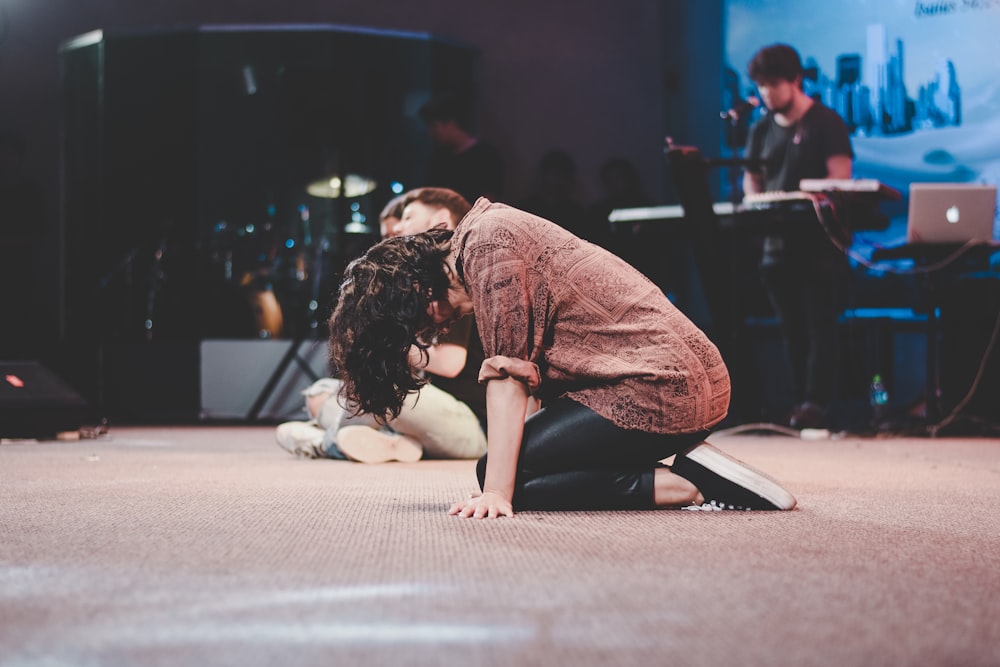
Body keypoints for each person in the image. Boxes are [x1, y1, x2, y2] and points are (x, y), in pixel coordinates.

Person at [327, 192, 798, 518]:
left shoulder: (487, 247)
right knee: (512, 465)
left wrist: (496, 493)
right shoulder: (484, 236)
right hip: (677, 379)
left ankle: (686, 485)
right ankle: (688, 470)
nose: (430, 330)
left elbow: (509, 378)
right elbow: (533, 389)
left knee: (497, 472)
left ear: (414, 289)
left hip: (660, 385)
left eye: (417, 323)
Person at [275, 188, 488, 463]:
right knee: (320, 392)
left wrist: (384, 345)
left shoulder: (454, 281)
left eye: (408, 216)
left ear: (442, 221)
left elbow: (450, 363)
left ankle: (325, 442)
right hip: (430, 414)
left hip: (468, 424)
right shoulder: (426, 283)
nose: (399, 227)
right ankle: (393, 443)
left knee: (370, 386)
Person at [742, 43, 854, 430]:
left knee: (820, 325)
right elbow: (751, 184)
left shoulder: (826, 122)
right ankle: (796, 404)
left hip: (819, 246)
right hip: (776, 247)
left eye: (773, 84)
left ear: (796, 80)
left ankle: (817, 405)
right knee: (789, 330)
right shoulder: (759, 130)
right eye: (760, 86)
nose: (766, 93)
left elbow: (841, 179)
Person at [419, 92, 504, 204]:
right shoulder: (439, 158)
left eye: (434, 126)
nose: (430, 133)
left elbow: (489, 200)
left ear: (450, 122)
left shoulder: (485, 155)